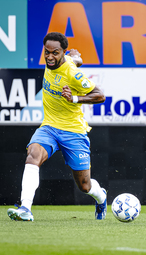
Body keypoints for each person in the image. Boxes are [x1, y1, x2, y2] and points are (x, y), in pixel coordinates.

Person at [7, 32, 107, 221]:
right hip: (49, 127)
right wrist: (76, 58)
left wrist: (75, 98)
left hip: (74, 131)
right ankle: (25, 208)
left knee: (84, 186)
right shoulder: (60, 61)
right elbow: (74, 59)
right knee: (33, 155)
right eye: (47, 52)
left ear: (62, 52)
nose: (50, 57)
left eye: (55, 53)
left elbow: (100, 96)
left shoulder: (73, 73)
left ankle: (101, 197)